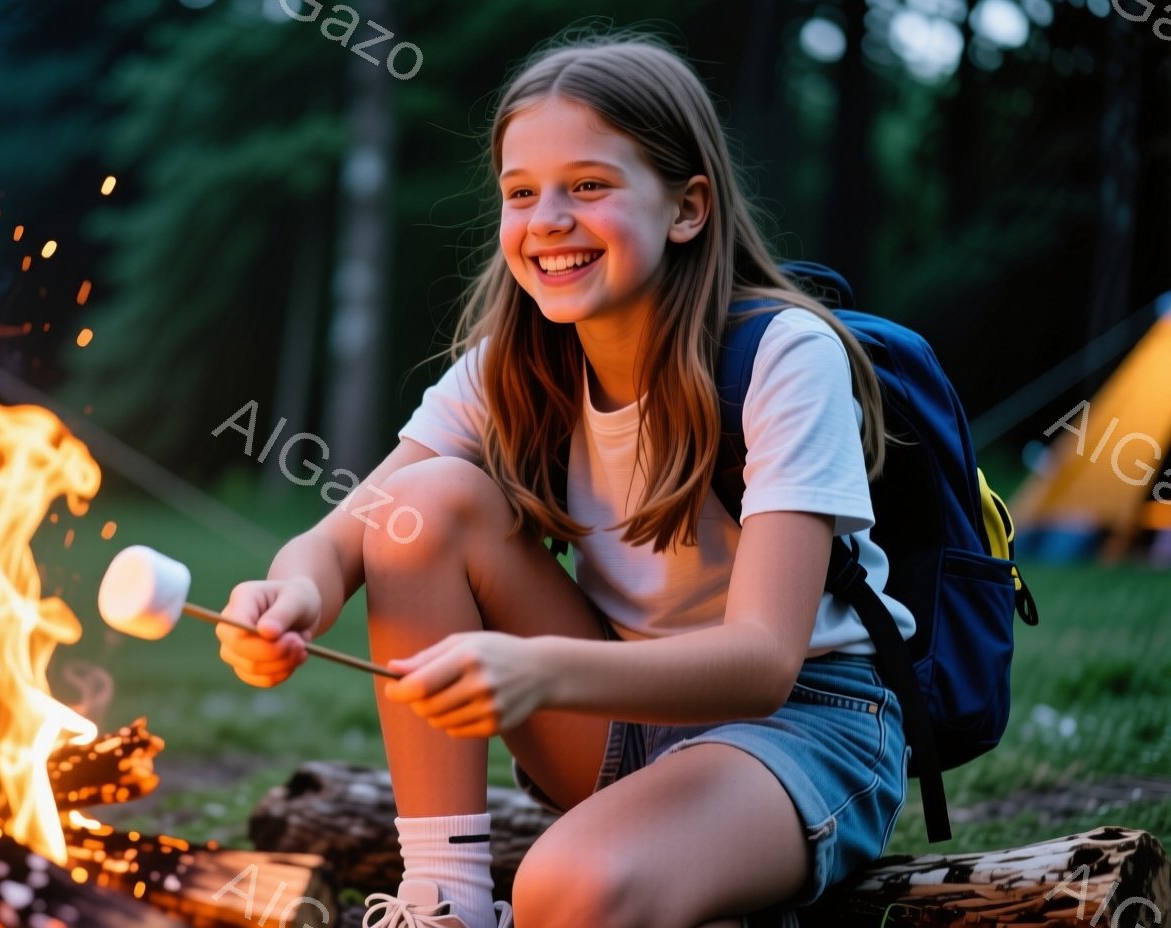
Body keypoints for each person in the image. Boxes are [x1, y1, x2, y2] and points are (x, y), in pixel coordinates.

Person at [215, 32, 915, 928]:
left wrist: (540, 669)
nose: (546, 218)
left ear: (688, 208)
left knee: (562, 891)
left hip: (808, 727)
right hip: (613, 713)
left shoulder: (784, 356)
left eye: (589, 185)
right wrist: (290, 596)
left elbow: (764, 665)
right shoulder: (510, 364)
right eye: (520, 192)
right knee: (420, 508)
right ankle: (445, 900)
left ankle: (662, 866)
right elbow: (352, 528)